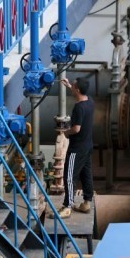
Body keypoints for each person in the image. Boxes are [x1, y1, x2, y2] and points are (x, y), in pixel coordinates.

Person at [49, 77, 95, 219]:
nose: (73, 87)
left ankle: (67, 206)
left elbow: (76, 129)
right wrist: (69, 85)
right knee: (86, 174)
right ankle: (87, 202)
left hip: (77, 148)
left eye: (74, 86)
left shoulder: (78, 108)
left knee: (69, 176)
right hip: (88, 146)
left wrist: (65, 133)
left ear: (78, 90)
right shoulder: (90, 101)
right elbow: (78, 92)